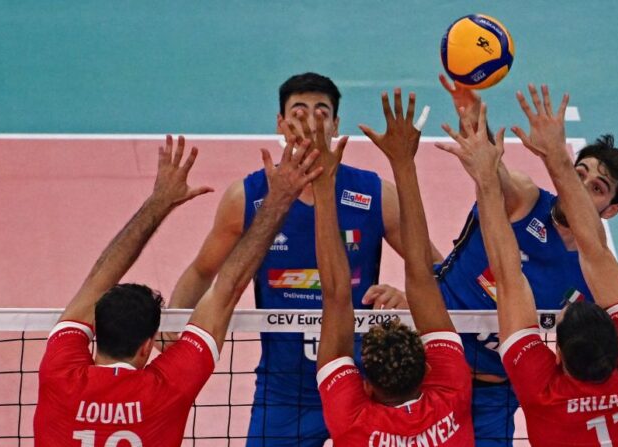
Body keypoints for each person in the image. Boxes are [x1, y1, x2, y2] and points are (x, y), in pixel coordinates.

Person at [165, 72, 441, 446]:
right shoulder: (247, 198)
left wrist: (407, 301)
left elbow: (437, 271)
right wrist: (172, 324)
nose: (311, 121)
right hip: (284, 393)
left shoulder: (375, 194)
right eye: (299, 111)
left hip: (367, 386)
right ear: (280, 123)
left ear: (336, 124)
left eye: (322, 112)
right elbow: (202, 271)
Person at [34, 134, 322, 446]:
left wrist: (157, 203)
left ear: (95, 333)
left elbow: (96, 282)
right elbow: (228, 287)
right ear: (147, 346)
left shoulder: (59, 374)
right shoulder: (169, 387)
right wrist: (279, 201)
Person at [443, 86, 618, 445]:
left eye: (596, 188)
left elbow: (510, 278)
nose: (578, 188)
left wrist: (554, 158)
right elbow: (491, 169)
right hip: (433, 359)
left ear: (611, 209)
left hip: (494, 388)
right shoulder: (527, 197)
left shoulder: (594, 279)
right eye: (578, 173)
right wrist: (473, 121)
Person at [318, 88, 473, 445]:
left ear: (366, 387)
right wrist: (404, 163)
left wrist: (323, 187)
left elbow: (338, 296)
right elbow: (420, 275)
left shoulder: (352, 421)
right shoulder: (451, 396)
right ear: (428, 370)